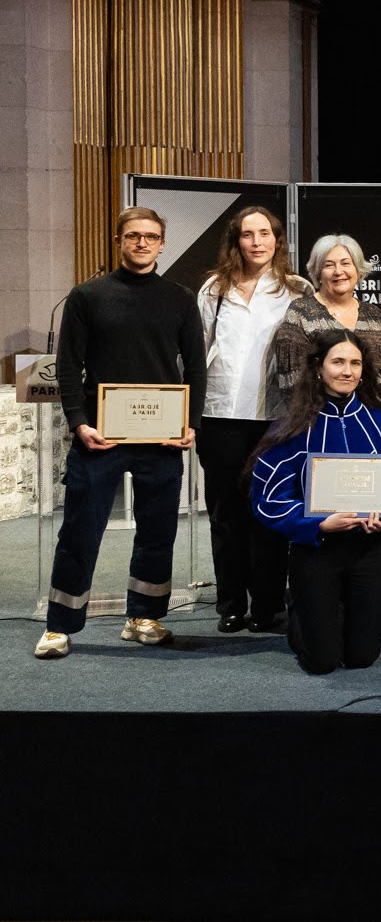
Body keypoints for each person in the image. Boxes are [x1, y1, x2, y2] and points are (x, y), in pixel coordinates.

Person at [35, 206, 203, 661]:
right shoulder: (87, 296)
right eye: (133, 236)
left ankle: (144, 617)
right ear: (118, 240)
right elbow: (68, 367)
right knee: (79, 531)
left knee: (157, 531)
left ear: (162, 243)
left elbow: (196, 368)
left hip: (161, 438)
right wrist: (79, 422)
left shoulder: (180, 298)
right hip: (99, 437)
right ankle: (59, 626)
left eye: (150, 236)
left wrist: (191, 424)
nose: (142, 243)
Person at [250, 329, 381, 674]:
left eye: (355, 363)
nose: (347, 371)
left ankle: (326, 615)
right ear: (318, 368)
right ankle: (303, 614)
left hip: (370, 549)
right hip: (316, 550)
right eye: (338, 362)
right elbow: (266, 499)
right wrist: (317, 524)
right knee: (322, 660)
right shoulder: (291, 428)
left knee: (361, 658)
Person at [196, 205, 312, 634]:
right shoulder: (213, 289)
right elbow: (196, 352)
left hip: (276, 419)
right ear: (236, 241)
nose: (257, 241)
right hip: (220, 413)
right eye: (248, 234)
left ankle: (267, 604)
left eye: (265, 233)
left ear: (277, 240)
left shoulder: (297, 289)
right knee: (226, 514)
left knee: (270, 513)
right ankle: (230, 603)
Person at [271, 234, 381, 414]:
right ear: (318, 272)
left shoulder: (377, 317)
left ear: (358, 270)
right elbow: (291, 380)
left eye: (345, 263)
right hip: (318, 419)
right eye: (329, 265)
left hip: (370, 418)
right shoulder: (300, 313)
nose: (338, 271)